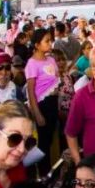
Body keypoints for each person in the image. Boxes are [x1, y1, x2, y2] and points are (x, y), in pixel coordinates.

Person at [25, 28, 61, 172]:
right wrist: (37, 113)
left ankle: (51, 170)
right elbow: (31, 90)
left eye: (50, 40)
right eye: (46, 41)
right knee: (43, 143)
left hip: (53, 103)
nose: (50, 43)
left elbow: (56, 80)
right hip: (42, 105)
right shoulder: (32, 64)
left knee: (51, 140)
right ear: (37, 45)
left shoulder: (51, 59)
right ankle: (41, 171)